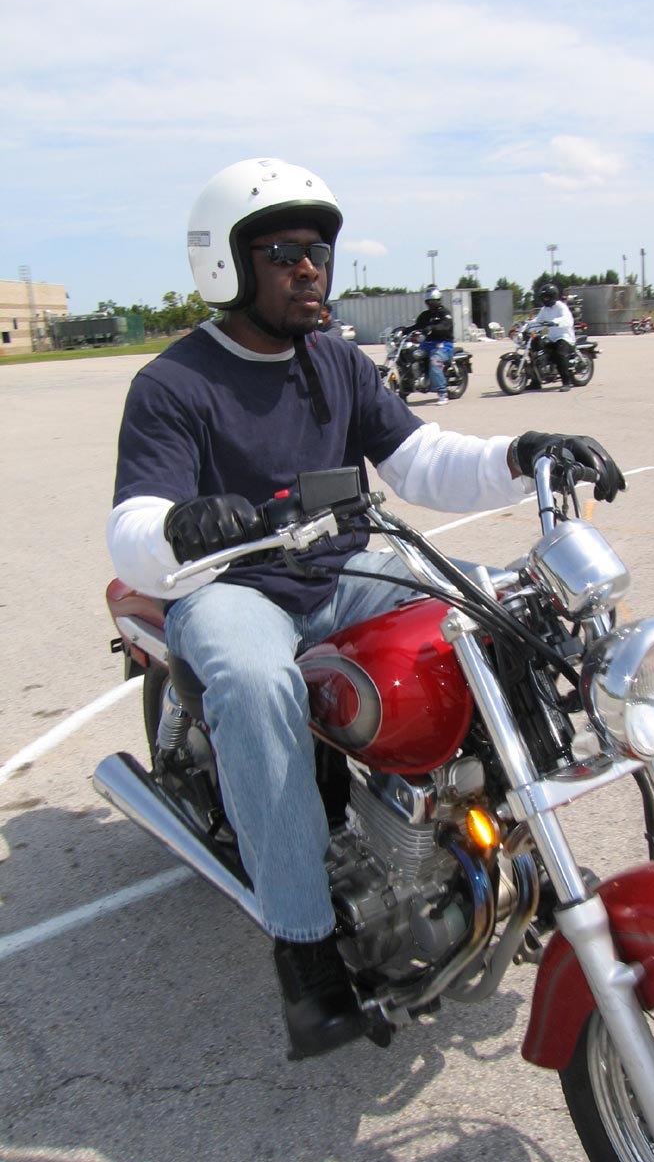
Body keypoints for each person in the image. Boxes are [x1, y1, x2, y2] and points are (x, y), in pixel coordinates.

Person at [106, 156, 626, 1061]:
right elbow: (132, 524)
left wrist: (523, 452)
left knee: (496, 609)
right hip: (232, 588)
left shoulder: (336, 362)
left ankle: (517, 843)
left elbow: (420, 458)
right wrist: (180, 525)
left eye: (318, 250)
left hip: (340, 570)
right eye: (284, 253)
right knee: (256, 685)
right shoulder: (174, 382)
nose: (310, 268)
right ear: (228, 264)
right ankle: (305, 946)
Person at [404, 287, 453, 405]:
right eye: (430, 301)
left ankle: (442, 393)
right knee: (410, 357)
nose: (432, 303)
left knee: (434, 361)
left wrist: (432, 328)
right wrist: (404, 330)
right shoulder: (425, 315)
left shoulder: (444, 313)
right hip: (426, 344)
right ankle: (404, 391)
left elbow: (445, 326)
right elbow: (417, 326)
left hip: (443, 344)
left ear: (439, 300)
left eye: (434, 301)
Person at [531, 283, 577, 390]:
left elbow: (567, 319)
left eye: (546, 297)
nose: (544, 299)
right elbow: (538, 321)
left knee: (559, 354)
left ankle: (566, 382)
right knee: (534, 349)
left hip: (564, 337)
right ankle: (535, 381)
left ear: (553, 296)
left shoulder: (561, 306)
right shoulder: (544, 309)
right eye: (543, 297)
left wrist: (555, 322)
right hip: (551, 337)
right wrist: (526, 326)